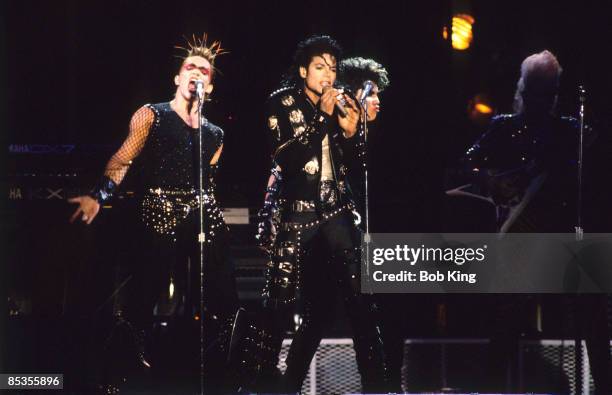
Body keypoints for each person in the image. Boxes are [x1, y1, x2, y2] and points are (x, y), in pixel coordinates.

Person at [68, 35, 241, 394]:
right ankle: (115, 376)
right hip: (159, 209)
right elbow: (122, 159)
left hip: (202, 210)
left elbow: (208, 177)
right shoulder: (152, 115)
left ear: (210, 84)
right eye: (189, 68)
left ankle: (228, 373)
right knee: (143, 295)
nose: (196, 74)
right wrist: (99, 195)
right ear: (178, 78)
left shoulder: (216, 134)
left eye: (203, 71)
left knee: (223, 293)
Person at [453, 50, 610, 393]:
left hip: (563, 235)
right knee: (506, 321)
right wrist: (491, 182)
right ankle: (492, 389)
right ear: (524, 93)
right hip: (521, 233)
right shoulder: (503, 127)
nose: (543, 102)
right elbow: (466, 164)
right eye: (536, 94)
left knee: (592, 314)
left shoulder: (572, 131)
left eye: (549, 94)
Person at [254, 35, 387, 393]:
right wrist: (322, 117)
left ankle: (376, 384)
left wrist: (351, 133)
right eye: (319, 67)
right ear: (303, 71)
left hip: (337, 210)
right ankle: (271, 383)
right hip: (297, 213)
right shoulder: (281, 103)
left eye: (331, 68)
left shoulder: (341, 102)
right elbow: (288, 159)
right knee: (280, 305)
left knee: (362, 300)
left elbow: (357, 163)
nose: (327, 75)